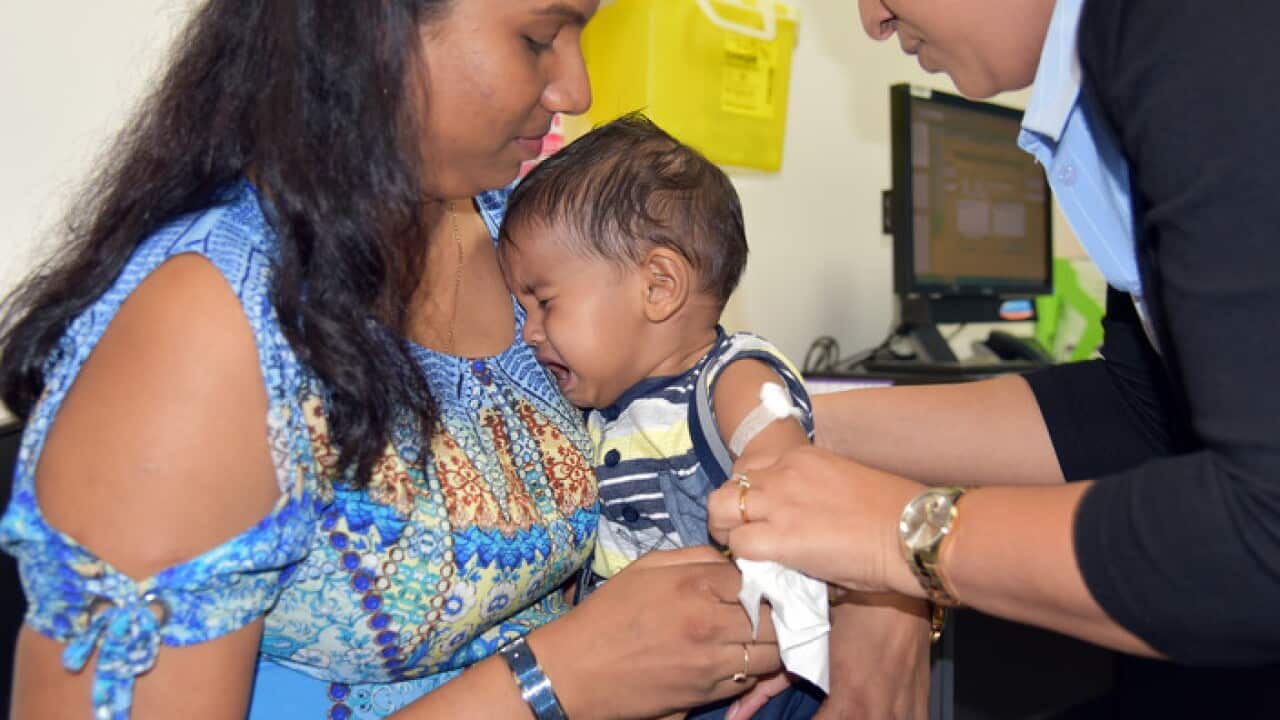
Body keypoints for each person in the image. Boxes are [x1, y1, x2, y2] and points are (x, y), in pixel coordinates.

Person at [0, 2, 792, 718]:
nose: (575, 89)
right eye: (539, 36)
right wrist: (554, 678)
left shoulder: (521, 242)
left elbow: (676, 404)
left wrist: (856, 593)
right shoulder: (206, 324)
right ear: (373, 27)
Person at [708, 0, 1280, 716]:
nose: (871, 20)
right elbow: (1139, 414)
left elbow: (1263, 535)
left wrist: (908, 536)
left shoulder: (1192, 32)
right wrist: (787, 422)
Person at [497, 114, 826, 720]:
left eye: (543, 302)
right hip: (644, 669)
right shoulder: (604, 411)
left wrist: (766, 471)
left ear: (658, 286)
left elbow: (784, 463)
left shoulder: (728, 378)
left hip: (742, 675)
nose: (531, 332)